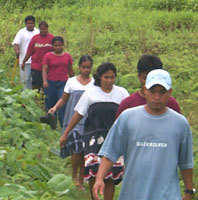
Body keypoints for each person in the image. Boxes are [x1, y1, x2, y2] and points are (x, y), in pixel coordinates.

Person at [93, 69, 194, 200]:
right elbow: (110, 153)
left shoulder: (180, 123)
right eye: (152, 91)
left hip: (167, 195)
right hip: (132, 194)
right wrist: (99, 179)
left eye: (162, 92)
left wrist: (189, 191)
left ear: (170, 93)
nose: (157, 97)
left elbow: (186, 163)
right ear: (145, 90)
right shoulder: (127, 118)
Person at [60, 62, 129, 200]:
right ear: (99, 77)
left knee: (110, 174)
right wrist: (66, 133)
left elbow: (129, 116)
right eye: (106, 77)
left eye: (112, 77)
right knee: (94, 171)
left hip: (113, 138)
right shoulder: (90, 93)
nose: (109, 80)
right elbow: (78, 114)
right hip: (93, 138)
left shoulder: (121, 93)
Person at [48, 55, 94, 190]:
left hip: (89, 121)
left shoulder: (94, 83)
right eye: (84, 67)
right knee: (76, 149)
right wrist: (55, 108)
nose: (86, 70)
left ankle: (82, 178)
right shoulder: (71, 82)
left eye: (88, 67)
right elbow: (64, 99)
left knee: (85, 150)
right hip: (73, 120)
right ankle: (74, 176)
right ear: (79, 67)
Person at [115, 54, 180, 118]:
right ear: (139, 76)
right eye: (145, 78)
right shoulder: (127, 105)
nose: (149, 83)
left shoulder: (171, 104)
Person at [42, 36, 74, 127]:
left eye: (60, 45)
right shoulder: (48, 56)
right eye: (56, 45)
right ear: (52, 46)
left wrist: (75, 81)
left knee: (62, 104)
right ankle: (52, 124)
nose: (58, 47)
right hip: (51, 82)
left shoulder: (67, 56)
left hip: (63, 83)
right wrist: (44, 81)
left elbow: (70, 70)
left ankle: (63, 123)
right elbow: (44, 69)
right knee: (50, 103)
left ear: (63, 45)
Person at [22, 21, 54, 90]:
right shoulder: (35, 38)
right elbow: (29, 52)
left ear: (47, 28)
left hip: (48, 67)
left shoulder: (51, 38)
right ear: (39, 29)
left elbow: (55, 51)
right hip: (36, 66)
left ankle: (45, 99)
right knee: (36, 85)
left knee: (47, 84)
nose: (43, 30)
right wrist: (24, 61)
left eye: (44, 29)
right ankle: (36, 99)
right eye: (41, 29)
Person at [12, 15, 39, 89]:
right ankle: (24, 97)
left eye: (31, 23)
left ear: (34, 23)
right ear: (25, 24)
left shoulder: (38, 32)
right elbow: (16, 43)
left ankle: (34, 97)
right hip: (24, 61)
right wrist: (17, 51)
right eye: (28, 23)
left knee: (34, 80)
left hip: (35, 61)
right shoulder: (21, 32)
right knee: (25, 80)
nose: (30, 25)